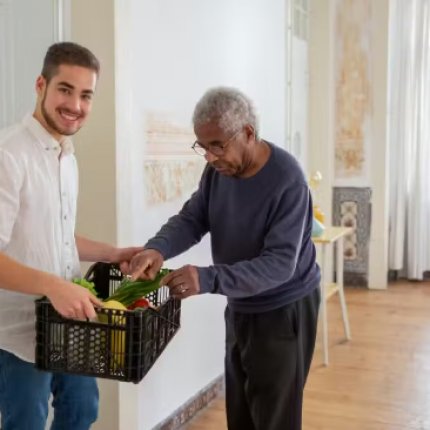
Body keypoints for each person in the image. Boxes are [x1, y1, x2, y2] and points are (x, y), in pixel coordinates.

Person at [128, 87, 321, 430]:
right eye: (203, 146)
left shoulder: (288, 180)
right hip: (241, 304)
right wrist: (157, 248)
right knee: (241, 413)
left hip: (283, 310)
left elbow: (279, 264)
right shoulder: (218, 173)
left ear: (248, 133)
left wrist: (206, 278)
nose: (210, 157)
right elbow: (193, 218)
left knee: (275, 418)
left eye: (218, 145)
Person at [0, 42, 141, 430]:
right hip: (16, 332)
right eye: (65, 90)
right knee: (25, 423)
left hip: (69, 323)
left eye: (86, 95)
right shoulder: (8, 155)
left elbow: (54, 234)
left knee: (82, 411)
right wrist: (53, 286)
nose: (75, 105)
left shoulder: (66, 155)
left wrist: (112, 252)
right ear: (40, 85)